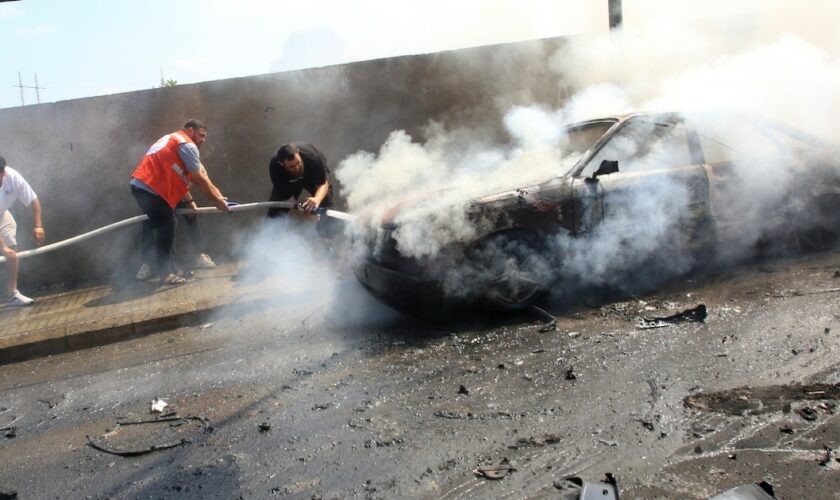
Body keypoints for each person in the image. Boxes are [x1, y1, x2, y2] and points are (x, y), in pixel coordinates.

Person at [130, 119, 229, 284]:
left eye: (205, 137)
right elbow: (198, 179)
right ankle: (164, 272)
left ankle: (176, 267)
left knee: (170, 220)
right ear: (190, 131)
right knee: (166, 223)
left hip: (150, 188)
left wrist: (217, 197)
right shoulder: (187, 145)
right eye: (201, 135)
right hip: (149, 189)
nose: (203, 140)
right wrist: (215, 201)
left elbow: (202, 174)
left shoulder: (176, 141)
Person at [267, 142, 338, 238]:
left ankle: (328, 241)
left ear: (298, 153)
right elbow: (289, 201)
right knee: (276, 212)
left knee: (326, 210)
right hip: (289, 183)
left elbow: (322, 184)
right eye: (291, 166)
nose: (297, 168)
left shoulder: (312, 157)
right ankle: (270, 241)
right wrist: (307, 216)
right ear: (281, 164)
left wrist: (317, 200)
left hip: (313, 178)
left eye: (298, 163)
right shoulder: (275, 168)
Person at [0, 155, 44, 306]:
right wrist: (2, 247)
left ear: (3, 173)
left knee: (12, 250)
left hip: (1, 214)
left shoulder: (13, 177)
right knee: (5, 248)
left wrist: (38, 225)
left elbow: (33, 200)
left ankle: (12, 294)